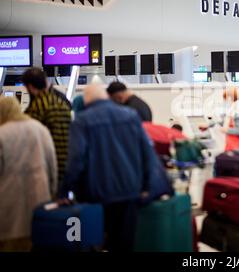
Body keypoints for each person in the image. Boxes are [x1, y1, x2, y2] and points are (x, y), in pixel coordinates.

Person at [60, 84, 154, 252]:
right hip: (130, 190)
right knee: (125, 243)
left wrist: (64, 190)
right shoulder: (130, 115)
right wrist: (147, 185)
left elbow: (75, 160)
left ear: (87, 102)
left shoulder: (82, 121)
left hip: (97, 194)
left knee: (95, 241)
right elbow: (147, 152)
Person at [0, 97, 57, 252]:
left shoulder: (2, 134)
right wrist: (52, 193)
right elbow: (52, 166)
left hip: (9, 209)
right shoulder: (40, 129)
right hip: (40, 203)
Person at [22, 68, 72, 185]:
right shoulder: (61, 101)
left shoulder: (38, 106)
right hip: (66, 166)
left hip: (46, 167)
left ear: (30, 87)